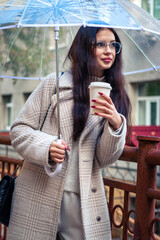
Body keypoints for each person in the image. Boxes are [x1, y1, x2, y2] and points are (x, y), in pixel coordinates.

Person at [7, 26, 131, 240]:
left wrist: (115, 124)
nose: (108, 50)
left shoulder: (116, 94)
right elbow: (19, 130)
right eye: (100, 44)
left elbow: (104, 158)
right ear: (84, 47)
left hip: (83, 199)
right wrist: (46, 147)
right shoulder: (54, 83)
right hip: (39, 190)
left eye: (113, 45)